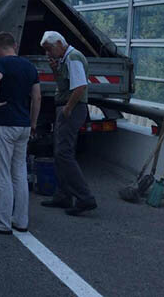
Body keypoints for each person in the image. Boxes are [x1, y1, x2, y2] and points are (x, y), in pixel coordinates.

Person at [0, 32, 40, 235]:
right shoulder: (30, 67)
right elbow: (37, 97)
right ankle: (21, 220)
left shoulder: (2, 64)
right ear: (15, 45)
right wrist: (33, 123)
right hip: (23, 125)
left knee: (1, 173)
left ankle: (1, 222)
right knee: (19, 173)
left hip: (4, 124)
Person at [39, 31, 97, 216]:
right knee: (61, 152)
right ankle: (64, 194)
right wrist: (55, 69)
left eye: (49, 49)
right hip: (69, 106)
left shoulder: (73, 58)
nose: (48, 54)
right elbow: (64, 84)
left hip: (72, 107)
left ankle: (84, 197)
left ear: (58, 43)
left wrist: (67, 109)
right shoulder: (66, 59)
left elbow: (80, 86)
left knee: (64, 153)